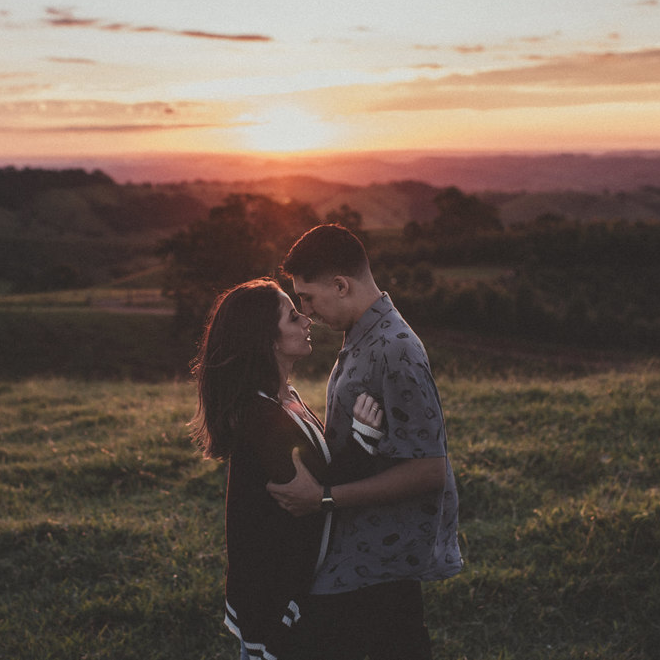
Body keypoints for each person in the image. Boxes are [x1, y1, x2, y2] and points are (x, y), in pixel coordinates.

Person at [267, 224, 463, 660]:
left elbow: (430, 470)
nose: (306, 310)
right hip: (362, 552)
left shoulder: (395, 349)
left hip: (381, 558)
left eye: (308, 297)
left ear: (341, 285)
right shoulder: (361, 338)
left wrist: (324, 499)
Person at [190, 278, 384, 660]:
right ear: (268, 339)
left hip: (289, 586)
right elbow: (311, 492)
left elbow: (318, 474)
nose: (306, 319)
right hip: (274, 597)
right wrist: (363, 439)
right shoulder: (260, 417)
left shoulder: (284, 398)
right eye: (293, 317)